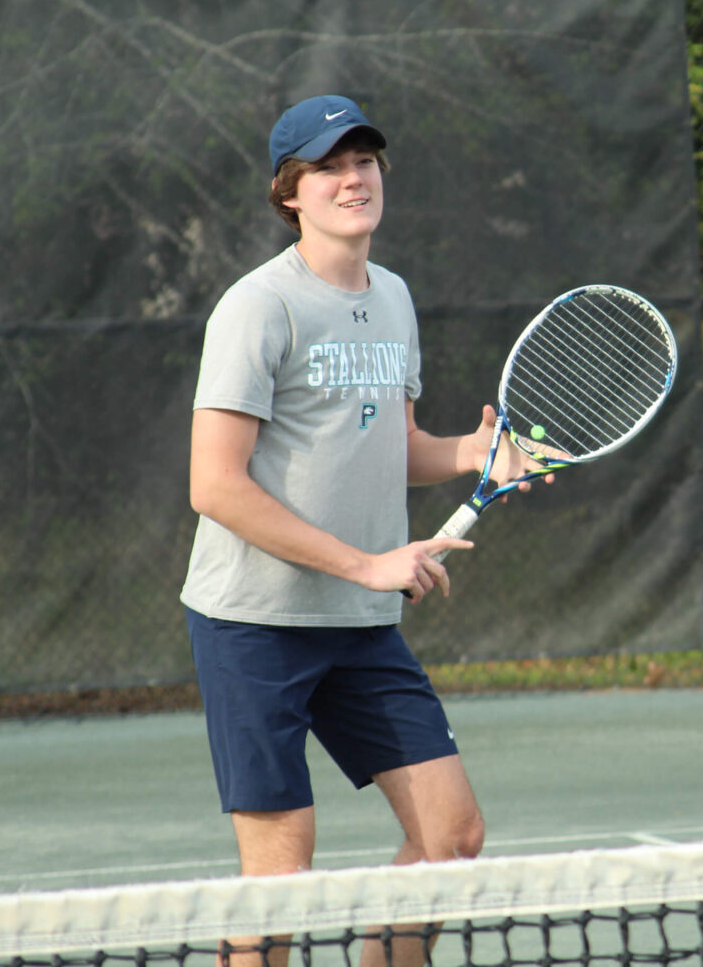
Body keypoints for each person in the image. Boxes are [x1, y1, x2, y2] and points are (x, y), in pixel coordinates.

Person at [180, 94, 548, 967]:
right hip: (253, 625)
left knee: (451, 839)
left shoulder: (394, 299)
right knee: (281, 881)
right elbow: (214, 486)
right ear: (290, 193)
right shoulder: (257, 307)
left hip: (359, 627)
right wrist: (368, 564)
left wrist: (474, 454)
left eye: (366, 162)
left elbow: (395, 447)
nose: (354, 179)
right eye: (330, 167)